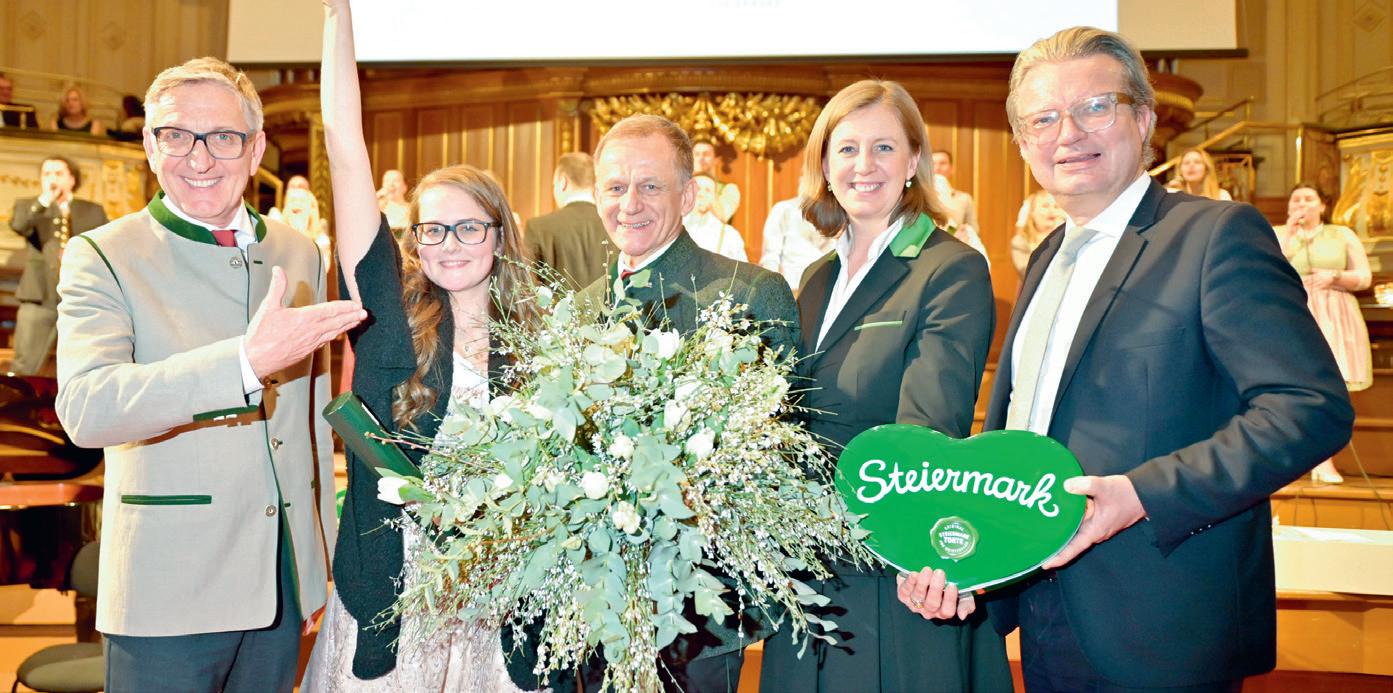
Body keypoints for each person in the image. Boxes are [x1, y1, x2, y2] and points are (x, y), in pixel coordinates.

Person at [984, 26, 1353, 691]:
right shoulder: (1043, 259)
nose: (1068, 132)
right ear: (1023, 144)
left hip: (1165, 621)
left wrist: (1139, 495)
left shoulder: (1213, 235)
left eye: (1094, 106)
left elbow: (1308, 408)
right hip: (1043, 612)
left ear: (1145, 120)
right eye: (1042, 118)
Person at [54, 56, 365, 692]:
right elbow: (87, 408)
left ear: (256, 151)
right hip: (168, 586)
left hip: (282, 583)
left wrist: (317, 564)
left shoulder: (299, 250)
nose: (199, 158)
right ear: (150, 146)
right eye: (176, 135)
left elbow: (308, 420)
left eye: (223, 137)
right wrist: (241, 364)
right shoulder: (102, 255)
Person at [306, 1, 539, 688]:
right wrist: (337, 15)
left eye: (469, 227)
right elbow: (345, 151)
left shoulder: (539, 337)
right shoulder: (389, 310)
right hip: (397, 586)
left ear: (499, 233)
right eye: (432, 229)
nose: (449, 244)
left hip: (497, 594)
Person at [759, 79, 1008, 693]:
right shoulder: (815, 278)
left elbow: (928, 430)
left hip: (889, 572)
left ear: (914, 160)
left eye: (884, 148)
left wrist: (908, 549)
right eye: (846, 149)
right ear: (825, 165)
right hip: (804, 569)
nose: (863, 165)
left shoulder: (950, 268)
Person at [558, 113, 795, 693]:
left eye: (650, 185)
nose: (630, 204)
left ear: (688, 196)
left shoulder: (749, 293)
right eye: (616, 187)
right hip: (590, 609)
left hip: (697, 616)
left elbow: (777, 454)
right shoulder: (578, 310)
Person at [1274, 182, 1373, 485]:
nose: (1301, 204)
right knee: (1293, 384)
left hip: (1334, 312)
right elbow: (1267, 269)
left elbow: (1364, 277)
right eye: (1295, 199)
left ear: (1322, 205)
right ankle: (1295, 460)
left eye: (1308, 199)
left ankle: (1324, 459)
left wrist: (1336, 276)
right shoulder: (1278, 233)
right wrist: (1289, 235)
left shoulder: (1342, 234)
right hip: (1293, 311)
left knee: (1331, 385)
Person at [8, 156, 108, 376]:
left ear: (72, 179)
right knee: (25, 366)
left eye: (58, 173)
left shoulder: (92, 210)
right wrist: (44, 201)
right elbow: (19, 225)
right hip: (39, 296)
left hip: (81, 298)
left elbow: (106, 246)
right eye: (47, 174)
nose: (52, 179)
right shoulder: (30, 207)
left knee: (83, 367)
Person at [524, 152, 610, 289]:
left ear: (563, 182)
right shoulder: (615, 224)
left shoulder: (538, 227)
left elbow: (527, 286)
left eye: (554, 185)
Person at [758, 178, 834, 292]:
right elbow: (770, 258)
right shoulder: (783, 209)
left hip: (823, 291)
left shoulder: (837, 217)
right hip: (790, 290)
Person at [683, 173, 748, 261]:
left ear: (714, 198)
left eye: (708, 190)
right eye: (697, 189)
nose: (701, 194)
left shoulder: (729, 235)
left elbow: (740, 267)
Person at [1010, 189, 1065, 276]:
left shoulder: (1067, 237)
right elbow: (1029, 273)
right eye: (1045, 206)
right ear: (1032, 213)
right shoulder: (1020, 242)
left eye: (1056, 207)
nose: (1051, 210)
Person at [691, 139, 740, 223]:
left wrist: (708, 191)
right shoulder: (681, 188)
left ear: (716, 160)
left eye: (706, 154)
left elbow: (723, 217)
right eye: (697, 154)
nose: (701, 158)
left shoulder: (729, 189)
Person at [931, 149, 980, 230]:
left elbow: (973, 229)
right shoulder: (920, 196)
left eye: (943, 163)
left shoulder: (964, 198)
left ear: (951, 168)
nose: (937, 168)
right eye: (933, 163)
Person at [377, 168, 411, 232]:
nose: (391, 184)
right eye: (387, 181)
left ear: (405, 187)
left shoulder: (411, 209)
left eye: (396, 180)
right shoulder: (377, 209)